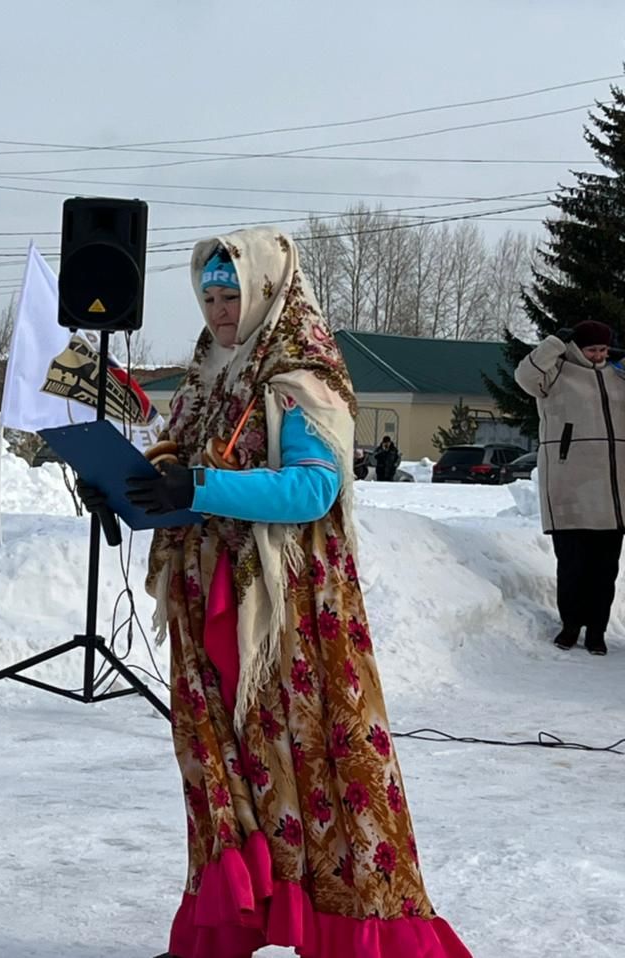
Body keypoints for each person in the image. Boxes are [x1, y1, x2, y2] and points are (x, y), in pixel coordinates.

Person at [79, 229, 470, 958]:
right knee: (223, 766)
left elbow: (316, 487)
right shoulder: (207, 368)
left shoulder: (301, 369)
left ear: (266, 291)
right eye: (209, 298)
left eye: (232, 297)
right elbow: (181, 459)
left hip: (285, 612)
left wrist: (198, 485)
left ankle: (351, 931)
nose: (220, 313)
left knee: (308, 765)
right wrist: (124, 486)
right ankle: (230, 921)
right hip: (207, 601)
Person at [514, 319, 624, 656]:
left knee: (605, 571)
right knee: (573, 566)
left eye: (603, 349)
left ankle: (596, 631)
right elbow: (524, 377)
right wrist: (552, 345)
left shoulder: (619, 376)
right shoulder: (555, 373)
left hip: (614, 491)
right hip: (570, 487)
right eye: (592, 349)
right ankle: (571, 625)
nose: (598, 356)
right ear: (576, 347)